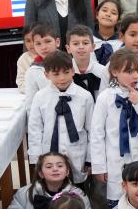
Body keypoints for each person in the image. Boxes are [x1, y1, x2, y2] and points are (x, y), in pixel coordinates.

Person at [89, 49, 138, 205]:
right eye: (129, 71)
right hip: (115, 162)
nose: (135, 75)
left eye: (137, 70)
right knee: (118, 203)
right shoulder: (105, 97)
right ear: (115, 72)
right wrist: (99, 166)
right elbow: (96, 134)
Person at [27, 50, 94, 185]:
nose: (62, 78)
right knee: (52, 190)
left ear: (73, 71)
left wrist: (90, 158)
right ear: (46, 75)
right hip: (49, 156)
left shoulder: (85, 96)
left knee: (78, 190)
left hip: (77, 155)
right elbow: (35, 129)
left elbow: (92, 130)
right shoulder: (40, 97)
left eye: (66, 72)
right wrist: (36, 158)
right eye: (56, 74)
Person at [66, 25, 107, 101]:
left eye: (85, 43)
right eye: (76, 44)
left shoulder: (103, 72)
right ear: (68, 49)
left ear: (93, 47)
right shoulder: (64, 72)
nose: (81, 47)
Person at [23, 24, 61, 107]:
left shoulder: (69, 63)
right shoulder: (32, 72)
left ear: (57, 42)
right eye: (38, 44)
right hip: (46, 115)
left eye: (47, 41)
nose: (43, 47)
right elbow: (31, 102)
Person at [92, 0, 121, 65]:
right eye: (104, 10)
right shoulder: (87, 38)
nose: (108, 14)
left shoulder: (122, 41)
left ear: (118, 19)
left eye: (113, 13)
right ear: (97, 15)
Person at [15, 25, 37, 91]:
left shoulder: (55, 55)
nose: (31, 44)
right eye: (28, 41)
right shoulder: (23, 59)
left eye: (34, 40)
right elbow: (21, 83)